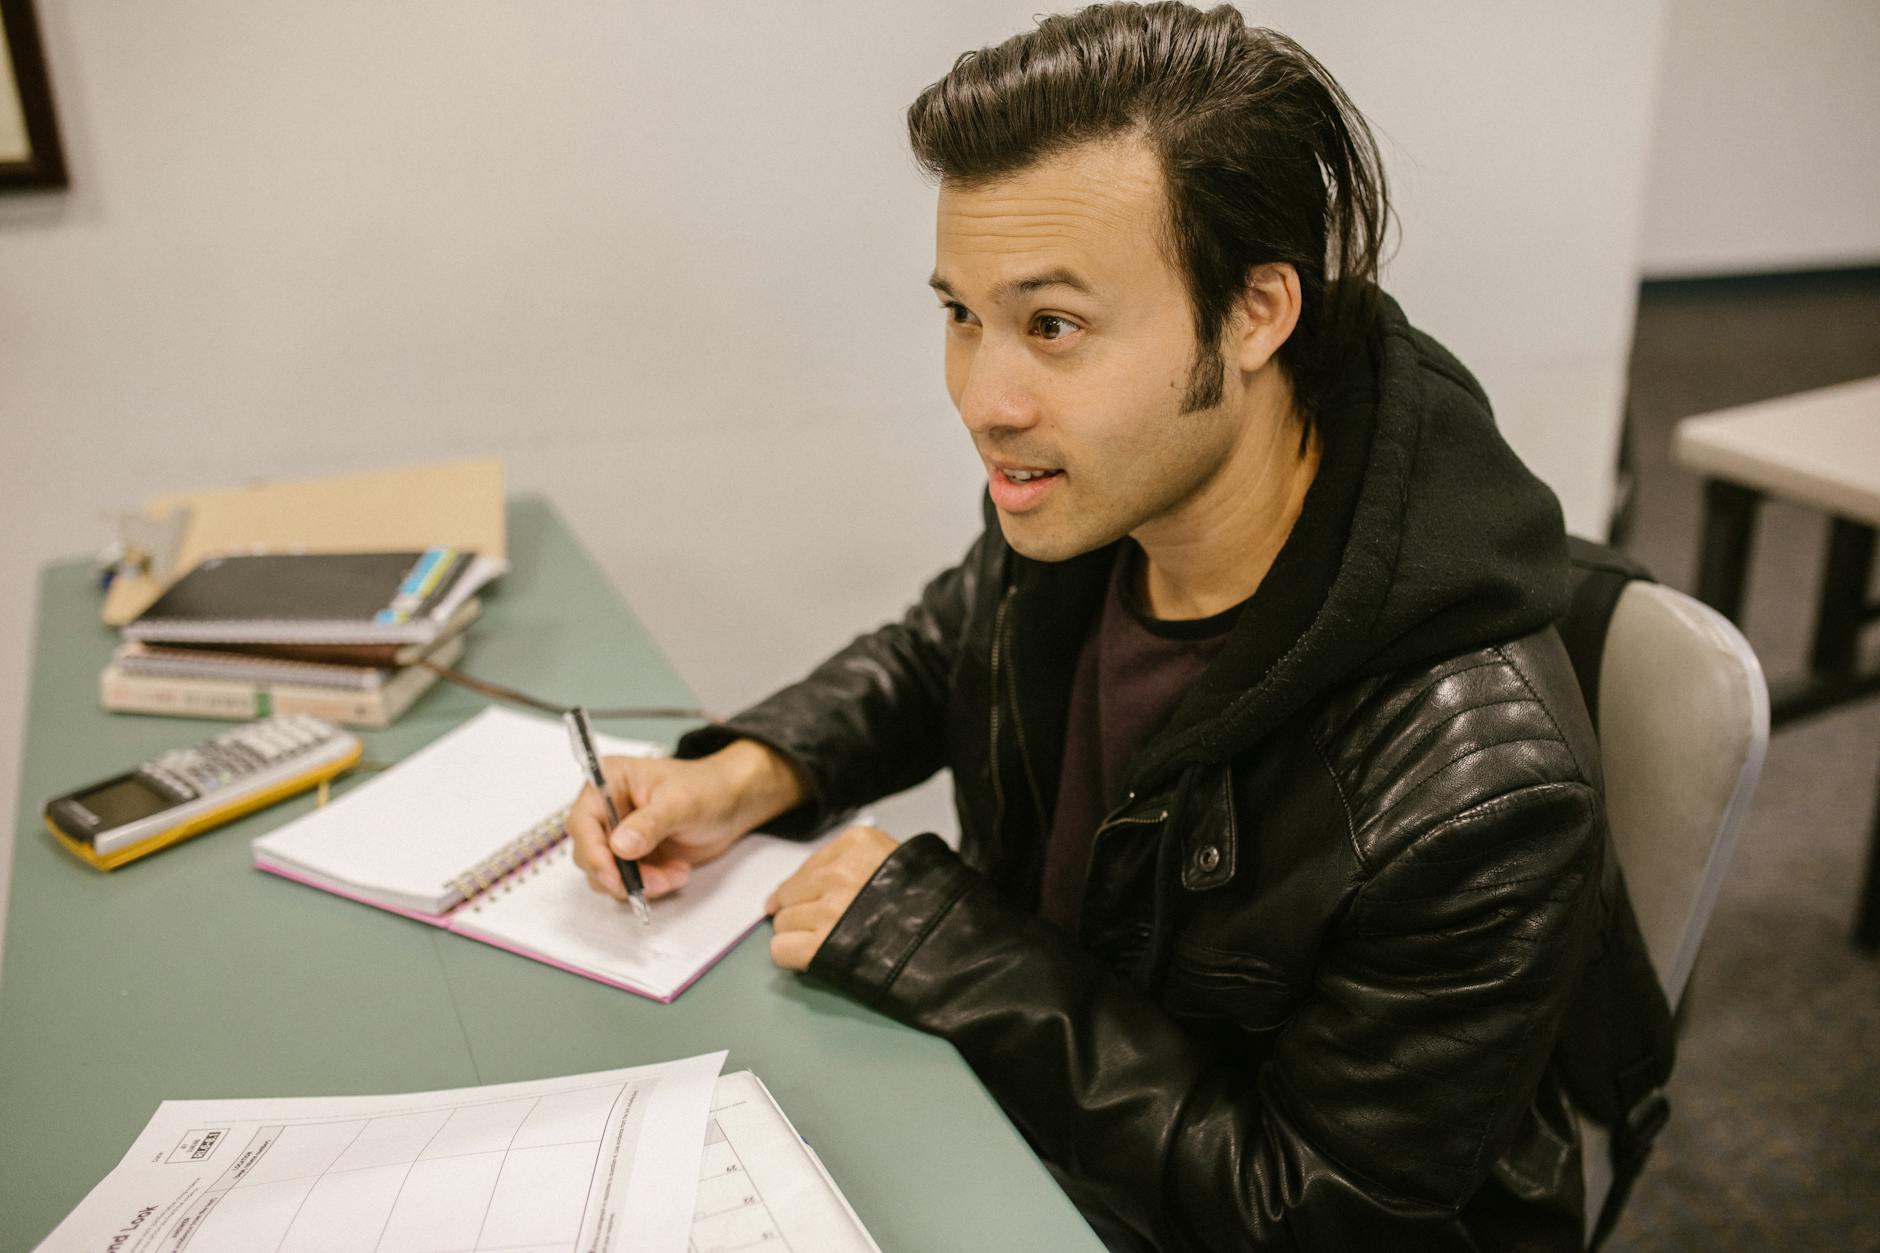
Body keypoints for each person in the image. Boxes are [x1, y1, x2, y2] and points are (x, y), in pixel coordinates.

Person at [568, 4, 1672, 1248]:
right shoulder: (1103, 490)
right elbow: (950, 643)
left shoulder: (1479, 785)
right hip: (1050, 1139)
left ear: (1254, 313)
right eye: (960, 314)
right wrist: (751, 769)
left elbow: (1315, 1208)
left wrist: (952, 953)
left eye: (1051, 325)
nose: (984, 398)